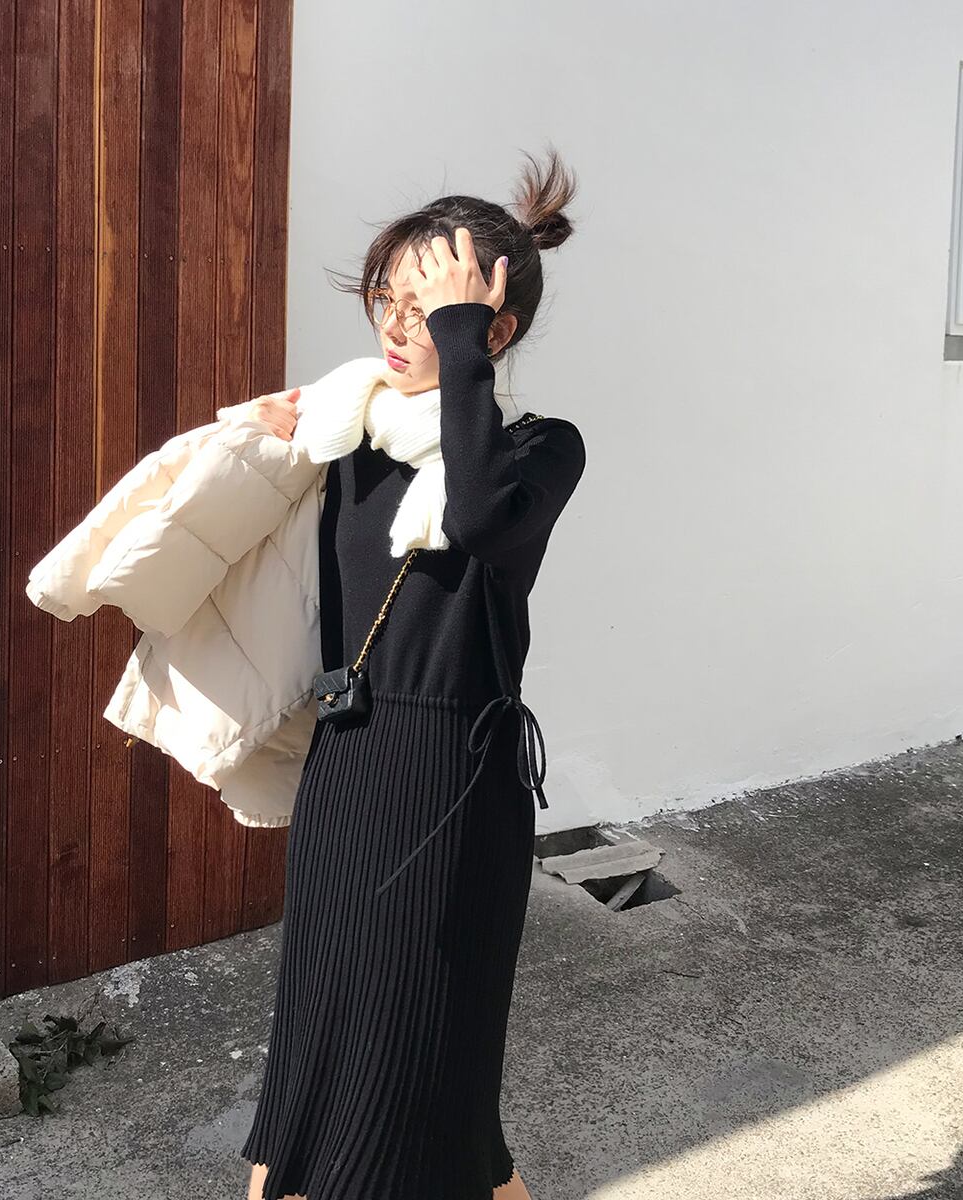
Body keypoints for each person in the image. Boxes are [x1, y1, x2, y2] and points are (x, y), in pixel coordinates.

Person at [239, 146, 587, 1200]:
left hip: (452, 783)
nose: (395, 326)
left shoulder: (539, 451)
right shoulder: (352, 439)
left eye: (425, 309)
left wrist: (459, 341)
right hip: (349, 764)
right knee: (313, 1053)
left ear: (493, 331)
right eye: (386, 299)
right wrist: (263, 451)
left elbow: (478, 521)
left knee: (423, 1081)